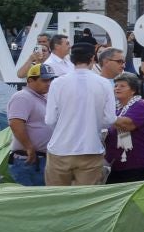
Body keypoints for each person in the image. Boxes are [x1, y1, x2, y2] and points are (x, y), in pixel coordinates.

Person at [42, 42, 113, 186]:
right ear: (93, 58)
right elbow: (110, 118)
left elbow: (50, 120)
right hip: (91, 148)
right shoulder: (104, 83)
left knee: (56, 199)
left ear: (71, 58)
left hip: (60, 149)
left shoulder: (57, 83)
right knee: (86, 201)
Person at [4, 61, 54, 186]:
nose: (48, 84)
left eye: (50, 80)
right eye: (44, 80)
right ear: (30, 80)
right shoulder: (22, 97)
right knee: (34, 201)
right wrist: (29, 147)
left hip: (41, 159)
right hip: (28, 159)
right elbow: (15, 123)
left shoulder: (41, 97)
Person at [103, 72, 144, 183]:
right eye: (116, 86)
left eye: (122, 86)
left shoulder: (140, 105)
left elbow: (126, 125)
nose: (117, 88)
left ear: (133, 90)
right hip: (119, 164)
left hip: (138, 164)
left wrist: (103, 113)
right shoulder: (117, 108)